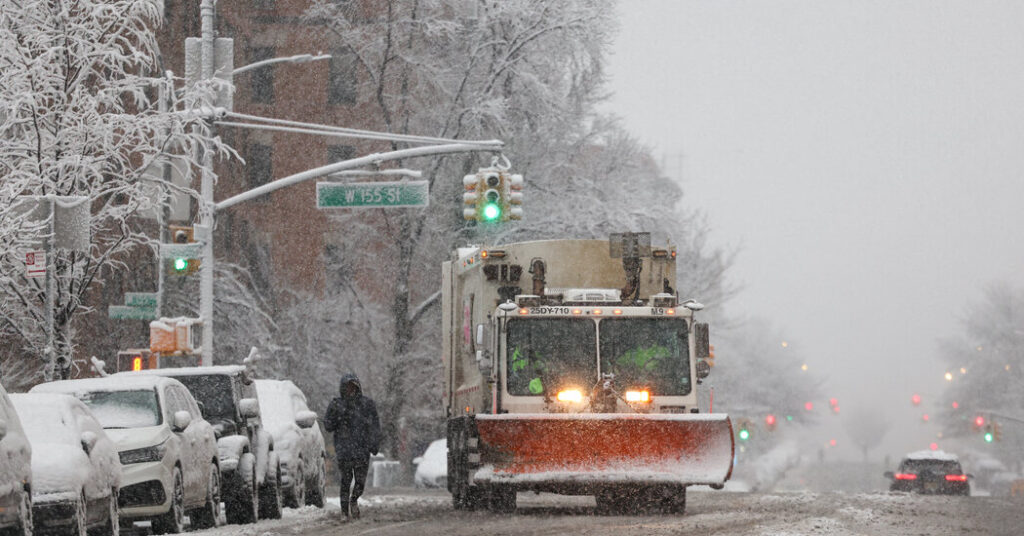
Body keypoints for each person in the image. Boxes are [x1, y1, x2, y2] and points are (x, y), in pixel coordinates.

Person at [324, 373, 381, 519]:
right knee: (345, 480)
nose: (350, 390)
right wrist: (337, 417)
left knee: (360, 482)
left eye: (352, 387)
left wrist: (374, 443)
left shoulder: (367, 405)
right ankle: (344, 512)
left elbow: (375, 426)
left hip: (362, 449)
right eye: (347, 387)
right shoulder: (336, 404)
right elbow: (328, 425)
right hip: (344, 450)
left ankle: (354, 499)